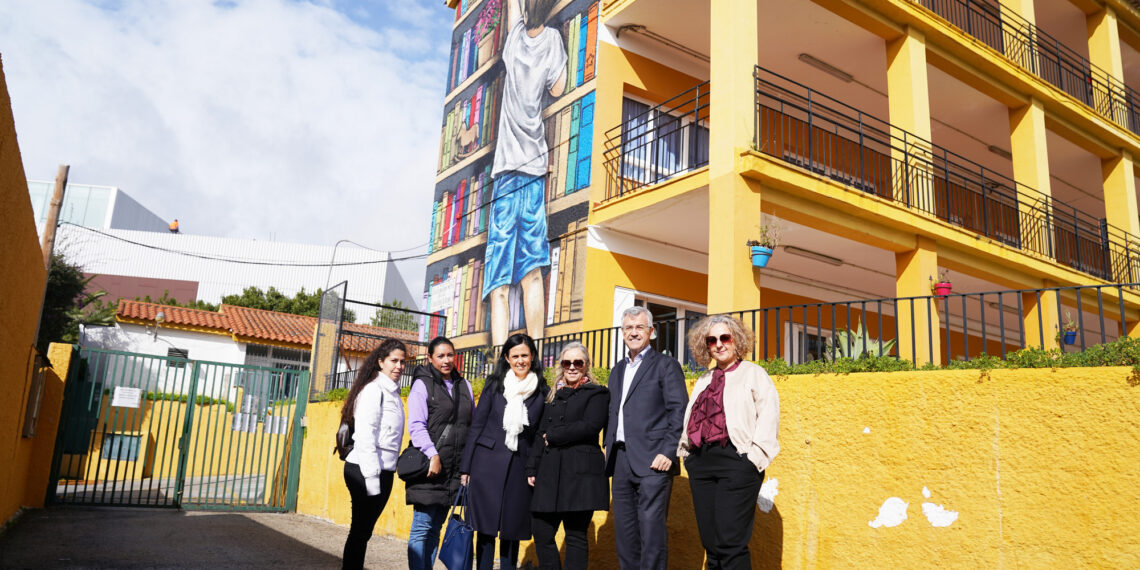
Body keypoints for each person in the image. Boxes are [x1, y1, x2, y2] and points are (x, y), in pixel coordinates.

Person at [480, 0, 567, 347]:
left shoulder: (513, 37)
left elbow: (513, 7)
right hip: (533, 170)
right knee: (532, 273)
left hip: (505, 174)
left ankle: (500, 359)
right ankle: (538, 350)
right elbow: (558, 88)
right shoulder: (555, 41)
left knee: (499, 280)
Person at [678, 315, 780, 570]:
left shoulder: (753, 373)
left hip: (736, 462)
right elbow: (692, 418)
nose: (719, 344)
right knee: (711, 545)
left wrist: (752, 460)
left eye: (725, 337)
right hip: (702, 463)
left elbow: (769, 416)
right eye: (712, 340)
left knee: (730, 544)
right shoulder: (704, 379)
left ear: (737, 340)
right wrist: (688, 456)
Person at [603, 306, 689, 569]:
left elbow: (679, 410)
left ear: (651, 332)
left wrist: (668, 450)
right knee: (625, 535)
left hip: (654, 460)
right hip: (620, 460)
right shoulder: (617, 370)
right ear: (622, 333)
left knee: (651, 534)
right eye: (629, 328)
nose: (634, 332)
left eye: (640, 327)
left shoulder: (666, 365)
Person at [459, 333, 548, 570]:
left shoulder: (541, 389)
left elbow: (539, 433)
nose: (520, 360)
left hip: (520, 466)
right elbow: (477, 425)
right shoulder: (494, 384)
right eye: (515, 356)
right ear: (507, 358)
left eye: (525, 355)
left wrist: (535, 466)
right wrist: (466, 467)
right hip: (485, 465)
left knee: (512, 529)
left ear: (533, 357)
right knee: (485, 531)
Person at [527, 342, 610, 570]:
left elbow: (590, 426)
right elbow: (538, 434)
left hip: (580, 473)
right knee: (541, 531)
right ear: (561, 365)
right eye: (567, 362)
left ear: (587, 365)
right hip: (550, 472)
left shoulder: (598, 393)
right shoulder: (552, 395)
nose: (572, 367)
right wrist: (531, 468)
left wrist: (553, 436)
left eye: (578, 362)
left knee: (575, 536)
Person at [405, 336, 475, 570]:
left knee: (436, 529)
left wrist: (468, 466)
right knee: (422, 528)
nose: (446, 360)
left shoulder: (464, 385)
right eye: (440, 356)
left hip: (454, 470)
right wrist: (432, 454)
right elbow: (416, 425)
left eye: (450, 355)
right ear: (430, 358)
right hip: (431, 467)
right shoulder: (422, 384)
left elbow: (471, 425)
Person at [340, 339, 406, 570]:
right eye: (393, 361)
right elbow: (366, 435)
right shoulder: (374, 390)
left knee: (362, 531)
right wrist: (371, 480)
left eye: (402, 361)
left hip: (382, 470)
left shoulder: (393, 393)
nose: (399, 366)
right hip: (365, 470)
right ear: (380, 362)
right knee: (360, 530)